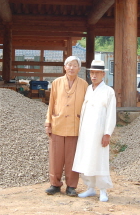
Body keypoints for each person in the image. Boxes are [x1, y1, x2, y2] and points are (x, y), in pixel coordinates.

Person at [73, 60, 116, 202]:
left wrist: (107, 133)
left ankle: (103, 190)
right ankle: (90, 188)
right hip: (85, 131)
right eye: (92, 73)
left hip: (99, 132)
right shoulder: (88, 89)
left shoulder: (109, 91)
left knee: (100, 159)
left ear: (103, 74)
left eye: (97, 73)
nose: (94, 76)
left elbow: (111, 114)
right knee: (86, 158)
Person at [45, 56, 88, 196]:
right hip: (57, 124)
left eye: (74, 65)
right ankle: (55, 184)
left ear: (79, 69)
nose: (71, 68)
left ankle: (71, 186)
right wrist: (48, 123)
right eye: (69, 65)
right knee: (56, 157)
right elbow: (51, 104)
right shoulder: (56, 83)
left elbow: (87, 107)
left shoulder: (84, 85)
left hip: (75, 126)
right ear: (64, 67)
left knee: (72, 158)